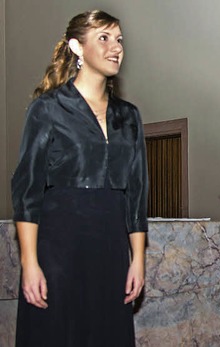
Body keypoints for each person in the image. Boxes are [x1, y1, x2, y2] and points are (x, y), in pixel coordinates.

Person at [11, 10, 148, 347]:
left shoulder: (128, 116)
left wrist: (138, 261)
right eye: (104, 38)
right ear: (76, 46)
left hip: (111, 251)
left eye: (119, 40)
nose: (116, 47)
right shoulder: (48, 108)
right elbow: (27, 193)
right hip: (59, 248)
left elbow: (137, 193)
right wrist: (30, 264)